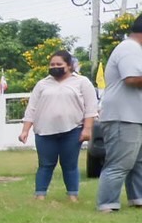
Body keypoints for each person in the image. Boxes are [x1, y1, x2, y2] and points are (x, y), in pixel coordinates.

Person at [19, 50, 97, 201]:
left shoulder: (82, 82)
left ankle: (72, 196)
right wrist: (25, 130)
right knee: (45, 164)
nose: (55, 67)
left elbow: (91, 108)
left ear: (69, 65)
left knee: (70, 164)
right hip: (44, 131)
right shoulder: (42, 84)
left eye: (59, 64)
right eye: (52, 64)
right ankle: (40, 195)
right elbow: (31, 108)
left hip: (73, 130)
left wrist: (87, 129)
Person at [96, 19, 142, 212]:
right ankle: (107, 204)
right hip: (123, 116)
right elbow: (131, 79)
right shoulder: (129, 49)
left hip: (134, 116)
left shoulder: (136, 50)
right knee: (119, 163)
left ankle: (138, 199)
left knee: (138, 163)